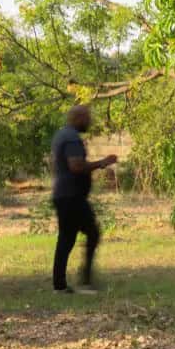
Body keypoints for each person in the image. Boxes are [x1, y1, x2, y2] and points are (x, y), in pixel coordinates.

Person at [51, 105, 117, 294]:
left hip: (65, 195)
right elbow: (76, 166)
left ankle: (61, 285)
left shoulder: (62, 135)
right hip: (71, 196)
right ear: (79, 118)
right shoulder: (71, 138)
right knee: (90, 234)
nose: (90, 121)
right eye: (87, 118)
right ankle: (83, 282)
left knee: (67, 238)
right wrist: (101, 163)